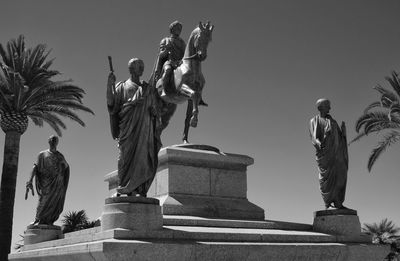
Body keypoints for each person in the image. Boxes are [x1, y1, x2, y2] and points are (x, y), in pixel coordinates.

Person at [107, 58, 161, 197]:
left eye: (142, 66)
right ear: (131, 69)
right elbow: (112, 104)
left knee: (142, 157)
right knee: (124, 158)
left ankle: (138, 189)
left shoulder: (147, 88)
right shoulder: (122, 86)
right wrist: (109, 85)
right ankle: (124, 187)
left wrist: (154, 112)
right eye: (138, 66)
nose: (142, 68)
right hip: (127, 129)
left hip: (144, 130)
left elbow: (154, 108)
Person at [309, 98, 349, 209]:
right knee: (327, 180)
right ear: (320, 107)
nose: (330, 108)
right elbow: (313, 137)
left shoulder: (333, 121)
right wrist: (319, 142)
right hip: (325, 155)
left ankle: (337, 202)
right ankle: (328, 203)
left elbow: (339, 137)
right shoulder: (314, 121)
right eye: (327, 106)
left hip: (337, 154)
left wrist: (343, 134)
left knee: (340, 176)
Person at [25, 135, 69, 225]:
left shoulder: (60, 156)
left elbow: (66, 167)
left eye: (55, 140)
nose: (53, 141)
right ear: (48, 141)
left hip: (57, 183)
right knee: (43, 201)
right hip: (46, 182)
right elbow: (35, 167)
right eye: (52, 140)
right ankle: (38, 219)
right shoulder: (42, 154)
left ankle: (49, 221)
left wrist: (62, 175)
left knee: (54, 203)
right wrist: (30, 180)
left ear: (57, 142)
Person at [154, 20, 186, 95]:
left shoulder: (182, 43)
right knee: (168, 70)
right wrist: (166, 50)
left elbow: (185, 54)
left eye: (180, 29)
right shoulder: (165, 40)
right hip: (170, 62)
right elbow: (161, 55)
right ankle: (162, 89)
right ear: (172, 29)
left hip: (180, 63)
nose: (179, 30)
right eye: (177, 28)